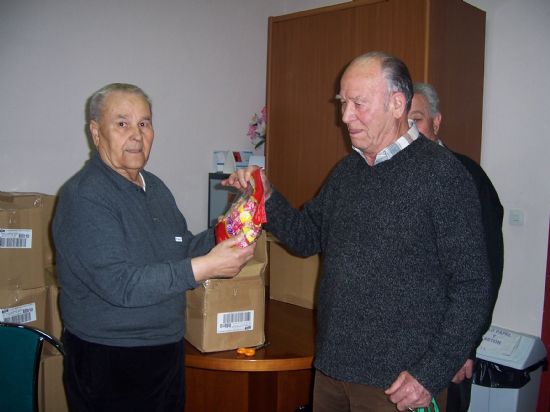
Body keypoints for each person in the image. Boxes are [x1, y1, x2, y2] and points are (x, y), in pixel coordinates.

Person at [223, 51, 493, 412]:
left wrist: (431, 372)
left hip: (398, 385)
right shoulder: (346, 172)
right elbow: (306, 237)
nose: (345, 116)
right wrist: (267, 196)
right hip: (333, 371)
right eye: (343, 103)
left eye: (358, 104)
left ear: (397, 104)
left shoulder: (443, 175)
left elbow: (473, 286)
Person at [52, 83, 255, 412]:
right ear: (95, 132)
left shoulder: (155, 186)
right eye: (122, 123)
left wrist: (237, 218)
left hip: (166, 351)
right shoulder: (84, 196)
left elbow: (183, 248)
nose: (136, 134)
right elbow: (121, 284)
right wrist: (206, 267)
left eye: (144, 123)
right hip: (110, 359)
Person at [410, 82, 504, 412]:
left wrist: (466, 346)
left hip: (447, 346)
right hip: (403, 346)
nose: (409, 130)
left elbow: (485, 273)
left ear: (436, 122)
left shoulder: (467, 178)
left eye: (417, 119)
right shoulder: (399, 177)